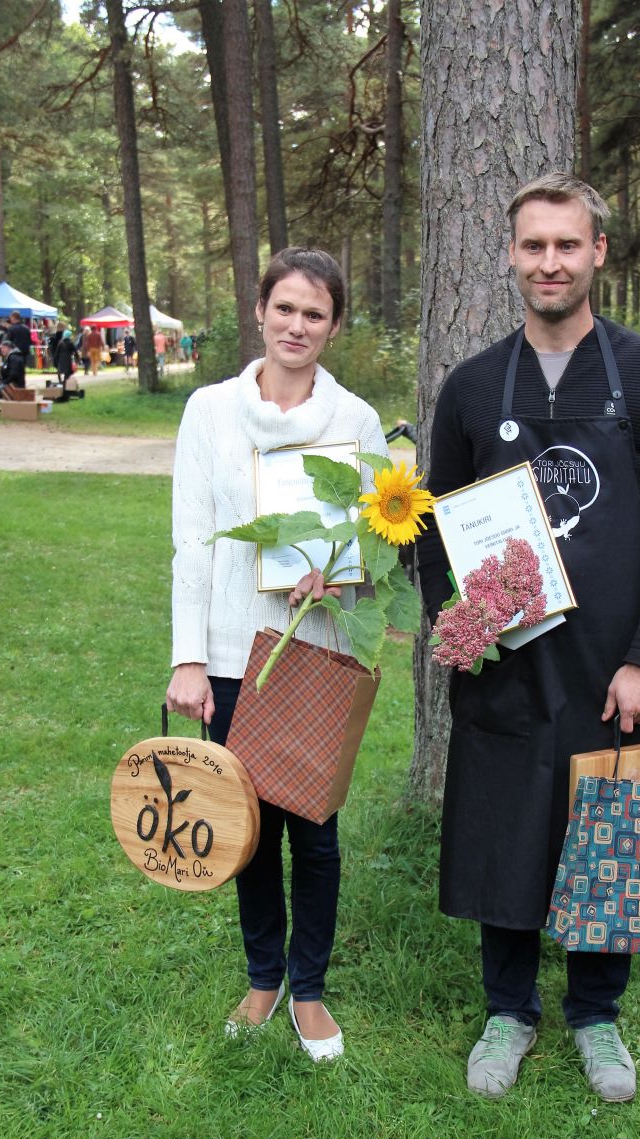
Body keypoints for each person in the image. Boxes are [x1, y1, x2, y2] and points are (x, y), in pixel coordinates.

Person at [417, 173, 640, 1104]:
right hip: (510, 655)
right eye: (534, 245)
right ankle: (508, 1008)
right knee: (504, 818)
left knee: (613, 825)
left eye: (567, 245)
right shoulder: (471, 386)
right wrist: (451, 626)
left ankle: (596, 1013)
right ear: (511, 255)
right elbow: (433, 526)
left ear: (598, 254)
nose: (551, 261)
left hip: (611, 658)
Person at [165, 247, 389, 1062]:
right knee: (249, 828)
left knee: (315, 832)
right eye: (285, 308)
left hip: (314, 650)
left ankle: (313, 989)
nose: (298, 326)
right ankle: (264, 976)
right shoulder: (209, 411)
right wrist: (190, 657)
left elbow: (369, 545)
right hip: (230, 650)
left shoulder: (357, 423)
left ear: (333, 327)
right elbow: (192, 541)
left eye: (316, 314)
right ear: (260, 311)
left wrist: (337, 583)